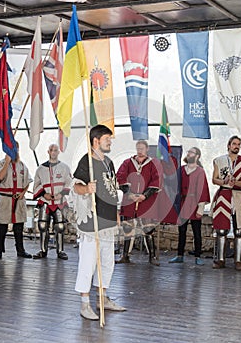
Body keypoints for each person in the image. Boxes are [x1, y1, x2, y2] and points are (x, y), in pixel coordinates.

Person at [73, 125, 126, 321]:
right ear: (96, 140)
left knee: (107, 263)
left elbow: (112, 190)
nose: (110, 142)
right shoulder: (86, 162)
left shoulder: (109, 162)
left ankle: (102, 298)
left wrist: (117, 213)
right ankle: (85, 304)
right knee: (88, 263)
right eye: (107, 138)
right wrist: (86, 188)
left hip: (108, 221)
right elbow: (75, 187)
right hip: (91, 222)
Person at [115, 140, 162, 266]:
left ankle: (152, 257)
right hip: (130, 201)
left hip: (147, 202)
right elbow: (120, 177)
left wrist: (144, 196)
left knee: (148, 228)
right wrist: (129, 194)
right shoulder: (127, 163)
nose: (140, 150)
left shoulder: (153, 164)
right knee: (127, 228)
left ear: (147, 149)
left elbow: (157, 180)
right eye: (138, 148)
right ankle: (125, 255)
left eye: (142, 148)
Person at [211, 135, 241, 271]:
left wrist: (235, 183)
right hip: (224, 195)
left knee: (240, 230)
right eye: (234, 144)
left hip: (239, 196)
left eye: (239, 144)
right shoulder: (219, 161)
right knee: (221, 229)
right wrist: (225, 182)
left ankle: (238, 260)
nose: (237, 146)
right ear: (229, 145)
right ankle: (220, 259)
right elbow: (214, 179)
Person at [169, 147, 210, 266]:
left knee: (197, 232)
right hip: (182, 203)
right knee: (182, 231)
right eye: (188, 152)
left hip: (194, 203)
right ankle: (179, 255)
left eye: (191, 152)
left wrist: (200, 208)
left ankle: (198, 256)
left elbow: (203, 190)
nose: (188, 154)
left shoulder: (200, 171)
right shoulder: (181, 170)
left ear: (197, 156)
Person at [32, 144, 71, 260]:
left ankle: (60, 251)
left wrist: (61, 194)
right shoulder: (40, 169)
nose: (53, 152)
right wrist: (44, 194)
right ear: (48, 152)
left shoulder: (65, 167)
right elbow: (36, 185)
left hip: (60, 201)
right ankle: (43, 251)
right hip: (45, 202)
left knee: (60, 226)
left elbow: (70, 183)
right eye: (51, 150)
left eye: (55, 150)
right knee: (43, 225)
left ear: (58, 152)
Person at [0, 142, 33, 260]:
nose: (15, 151)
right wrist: (7, 162)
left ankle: (20, 250)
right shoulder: (1, 164)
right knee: (1, 227)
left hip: (19, 199)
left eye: (16, 149)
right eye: (12, 149)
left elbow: (27, 181)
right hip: (5, 199)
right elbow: (0, 178)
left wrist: (23, 193)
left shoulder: (22, 165)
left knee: (19, 227)